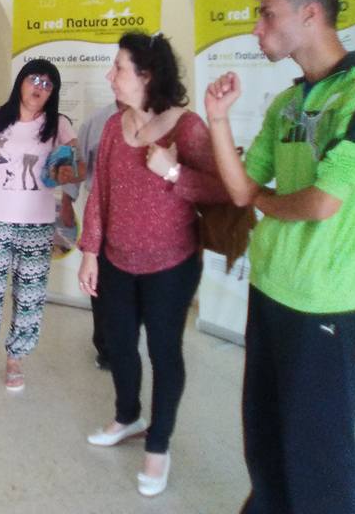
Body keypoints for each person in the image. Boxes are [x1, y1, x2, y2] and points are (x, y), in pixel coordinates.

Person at [205, 0, 355, 514]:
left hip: (323, 301)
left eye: (267, 14)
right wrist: (217, 120)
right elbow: (240, 189)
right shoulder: (287, 102)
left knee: (318, 456)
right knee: (265, 436)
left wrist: (266, 200)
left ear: (310, 13)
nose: (257, 28)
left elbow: (323, 201)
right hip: (270, 287)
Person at [77, 31, 228, 497]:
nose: (111, 76)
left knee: (164, 353)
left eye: (119, 68)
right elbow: (100, 194)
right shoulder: (113, 126)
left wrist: (174, 171)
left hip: (171, 266)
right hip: (117, 261)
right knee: (119, 346)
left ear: (147, 75)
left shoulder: (187, 127)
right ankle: (127, 417)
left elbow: (223, 189)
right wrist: (89, 252)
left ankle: (158, 445)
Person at [0, 59, 83, 391]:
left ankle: (15, 360)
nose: (40, 87)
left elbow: (77, 166)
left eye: (48, 84)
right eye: (34, 79)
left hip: (37, 223)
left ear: (53, 93)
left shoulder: (59, 124)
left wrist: (68, 172)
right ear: (21, 81)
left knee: (30, 295)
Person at [60, 99, 123, 370]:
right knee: (102, 282)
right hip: (101, 215)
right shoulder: (96, 121)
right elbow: (79, 164)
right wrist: (66, 202)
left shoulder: (155, 118)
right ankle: (106, 348)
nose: (113, 79)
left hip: (138, 222)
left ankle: (126, 341)